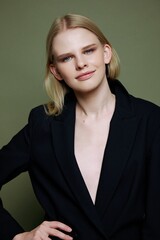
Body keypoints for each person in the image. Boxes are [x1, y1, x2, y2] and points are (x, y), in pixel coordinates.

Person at [0, 13, 160, 240]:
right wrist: (18, 236)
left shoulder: (150, 120)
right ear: (56, 71)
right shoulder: (43, 124)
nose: (81, 63)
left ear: (106, 53)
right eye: (66, 58)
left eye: (88, 50)